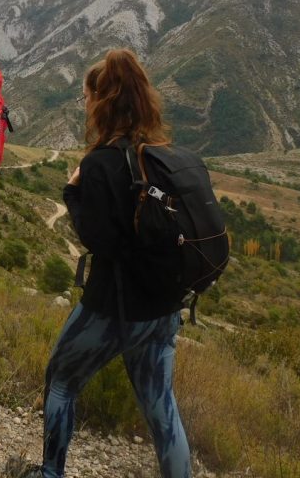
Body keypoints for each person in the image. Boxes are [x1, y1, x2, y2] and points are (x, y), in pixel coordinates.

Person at [26, 51, 190, 478]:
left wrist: (71, 191)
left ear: (101, 101)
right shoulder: (163, 156)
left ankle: (50, 472)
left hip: (114, 305)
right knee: (162, 410)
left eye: (86, 98)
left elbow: (97, 240)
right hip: (165, 306)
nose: (85, 106)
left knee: (61, 381)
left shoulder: (100, 164)